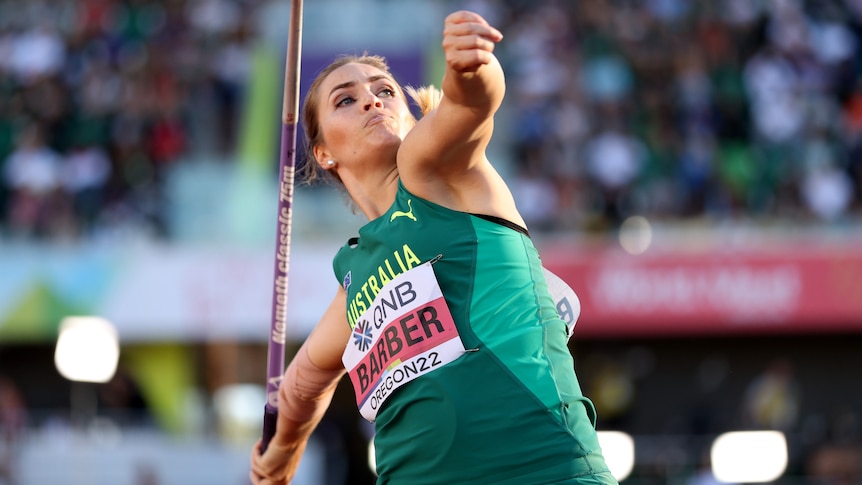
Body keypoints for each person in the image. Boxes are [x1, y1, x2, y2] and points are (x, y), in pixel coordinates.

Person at [249, 10, 616, 485]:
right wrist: (280, 453)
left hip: (543, 471)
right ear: (324, 154)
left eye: (385, 91)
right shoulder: (357, 276)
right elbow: (301, 384)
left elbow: (472, 105)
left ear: (408, 113)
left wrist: (472, 65)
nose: (371, 102)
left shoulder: (436, 170)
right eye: (346, 99)